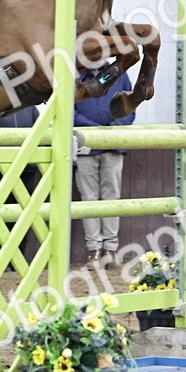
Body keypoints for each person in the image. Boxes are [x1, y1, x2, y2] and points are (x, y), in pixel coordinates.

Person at [73, 73, 136, 268]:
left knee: (111, 197)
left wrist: (108, 131)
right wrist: (98, 131)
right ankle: (94, 250)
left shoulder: (120, 75)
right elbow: (69, 110)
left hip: (113, 144)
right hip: (86, 146)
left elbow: (130, 107)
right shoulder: (77, 75)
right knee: (88, 199)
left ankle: (111, 249)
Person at [0, 106, 42, 262]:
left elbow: (40, 132)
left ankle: (17, 258)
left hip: (25, 169)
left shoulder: (31, 108)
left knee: (22, 214)